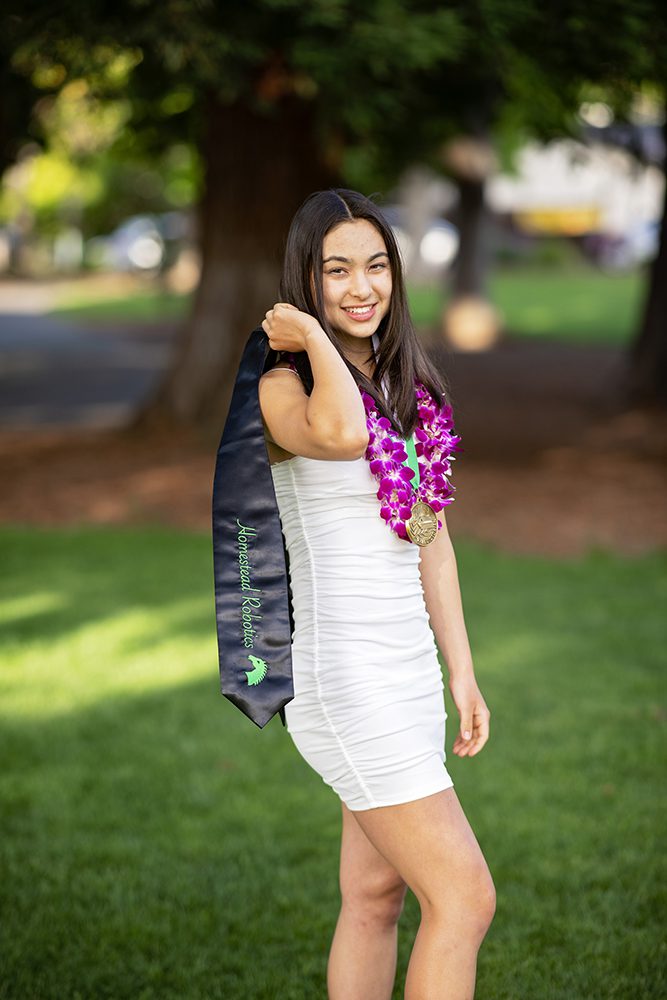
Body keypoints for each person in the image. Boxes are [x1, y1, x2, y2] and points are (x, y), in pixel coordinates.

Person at [258, 188, 495, 1000]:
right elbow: (344, 434)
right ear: (305, 283)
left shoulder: (405, 392)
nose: (361, 287)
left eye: (376, 265)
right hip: (344, 674)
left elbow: (431, 539)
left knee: (372, 896)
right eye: (335, 271)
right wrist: (313, 340)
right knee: (464, 898)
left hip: (403, 671)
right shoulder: (280, 388)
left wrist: (460, 672)